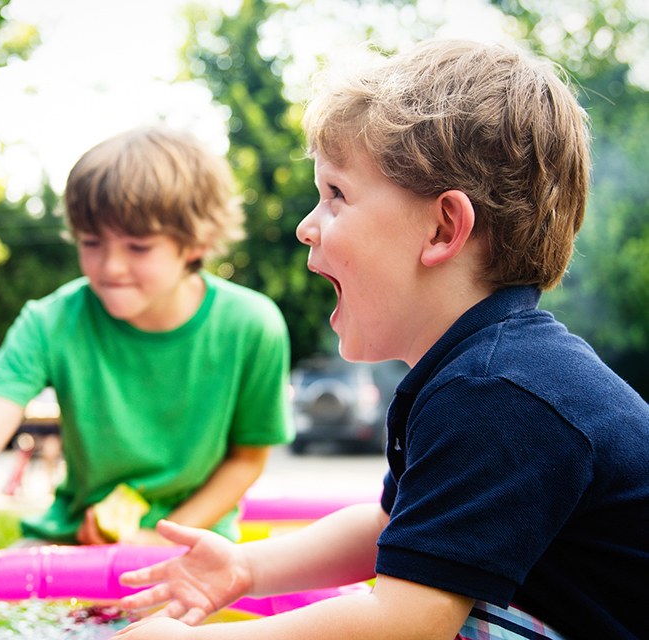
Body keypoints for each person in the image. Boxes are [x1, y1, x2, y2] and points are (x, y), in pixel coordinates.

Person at [113, 40, 649, 640]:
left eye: (336, 195)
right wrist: (245, 567)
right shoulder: (479, 372)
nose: (306, 226)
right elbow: (388, 527)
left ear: (443, 227)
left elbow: (405, 622)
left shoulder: (500, 392)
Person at [0, 125, 294, 626]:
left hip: (194, 549)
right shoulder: (50, 321)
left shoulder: (253, 325)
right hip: (69, 543)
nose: (110, 267)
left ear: (195, 242)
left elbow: (247, 459)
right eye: (91, 243)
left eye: (138, 247)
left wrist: (159, 536)